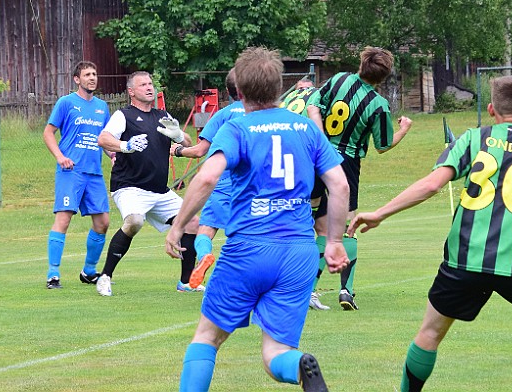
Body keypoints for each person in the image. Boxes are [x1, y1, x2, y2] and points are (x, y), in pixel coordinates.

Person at [348, 75, 512, 392]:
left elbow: (431, 184)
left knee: (429, 334)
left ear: (490, 109)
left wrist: (379, 212)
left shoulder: (473, 139)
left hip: (464, 262)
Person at [165, 47, 351, 392]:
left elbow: (206, 178)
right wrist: (335, 242)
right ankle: (299, 365)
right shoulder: (307, 129)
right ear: (280, 87)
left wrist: (177, 226)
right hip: (298, 253)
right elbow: (339, 184)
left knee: (207, 337)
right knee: (276, 352)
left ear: (239, 91)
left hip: (248, 249)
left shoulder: (237, 128)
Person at [306, 46, 412, 310]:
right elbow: (384, 145)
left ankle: (307, 290)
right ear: (384, 77)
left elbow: (312, 105)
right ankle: (345, 291)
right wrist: (405, 129)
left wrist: (322, 142)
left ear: (361, 63)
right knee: (348, 226)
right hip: (346, 163)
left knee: (315, 225)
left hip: (316, 155)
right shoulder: (378, 105)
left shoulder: (340, 79)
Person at [95, 71, 200, 296]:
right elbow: (103, 139)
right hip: (129, 186)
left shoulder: (162, 115)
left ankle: (186, 282)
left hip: (159, 190)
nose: (149, 88)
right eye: (143, 85)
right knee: (134, 221)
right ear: (131, 92)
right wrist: (125, 146)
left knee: (192, 223)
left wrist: (179, 135)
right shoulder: (124, 115)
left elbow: (189, 143)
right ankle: (105, 277)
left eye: (151, 84)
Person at [170, 68, 245, 289]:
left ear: (229, 92)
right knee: (245, 233)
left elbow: (200, 150)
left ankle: (203, 257)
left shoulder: (223, 115)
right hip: (251, 184)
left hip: (222, 182)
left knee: (206, 229)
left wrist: (177, 151)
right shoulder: (262, 114)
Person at [43, 61, 113, 289]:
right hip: (70, 172)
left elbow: (104, 139)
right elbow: (48, 133)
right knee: (63, 220)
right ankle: (53, 274)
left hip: (94, 174)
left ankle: (89, 271)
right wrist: (60, 156)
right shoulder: (66, 103)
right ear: (77, 79)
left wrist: (112, 155)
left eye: (94, 74)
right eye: (87, 75)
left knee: (103, 223)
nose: (92, 78)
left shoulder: (102, 107)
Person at [281, 77, 331, 311]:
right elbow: (315, 118)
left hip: (284, 164)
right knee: (310, 229)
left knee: (319, 228)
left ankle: (305, 288)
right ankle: (300, 289)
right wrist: (323, 148)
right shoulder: (317, 96)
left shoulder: (288, 99)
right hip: (309, 163)